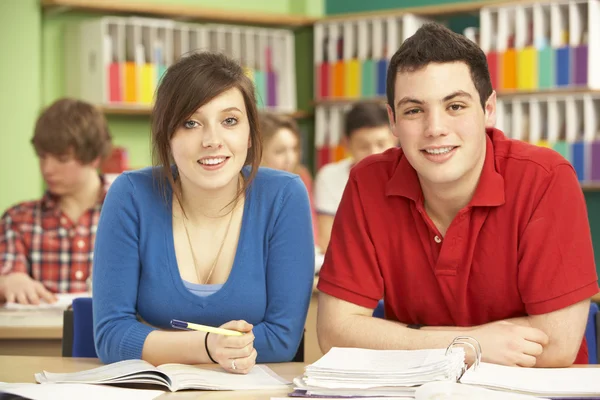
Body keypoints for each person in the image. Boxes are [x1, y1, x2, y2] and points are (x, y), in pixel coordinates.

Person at [316, 23, 599, 368]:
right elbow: (334, 334)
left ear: (489, 109)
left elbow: (556, 345)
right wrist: (468, 344)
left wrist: (404, 339)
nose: (435, 128)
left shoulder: (545, 178)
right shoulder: (367, 181)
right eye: (414, 110)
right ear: (393, 120)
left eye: (455, 106)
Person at [92, 52, 314, 373]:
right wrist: (208, 347)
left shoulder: (284, 195)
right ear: (167, 137)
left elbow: (282, 338)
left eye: (230, 121)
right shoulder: (130, 194)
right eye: (191, 123)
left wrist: (163, 345)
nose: (212, 140)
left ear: (250, 133)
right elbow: (111, 336)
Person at [0, 98, 112, 305]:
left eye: (62, 158)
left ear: (94, 157)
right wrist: (9, 280)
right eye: (42, 157)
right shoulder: (18, 219)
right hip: (40, 336)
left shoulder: (131, 213)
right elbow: (7, 269)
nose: (47, 169)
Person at [314, 101, 397, 252]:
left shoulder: (414, 174)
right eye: (364, 146)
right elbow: (327, 241)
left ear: (395, 138)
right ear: (347, 144)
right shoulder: (329, 177)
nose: (374, 153)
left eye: (381, 143)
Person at [258, 111, 319, 252]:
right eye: (279, 151)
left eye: (294, 149)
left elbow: (311, 231)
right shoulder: (250, 185)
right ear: (258, 152)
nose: (290, 158)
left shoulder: (301, 176)